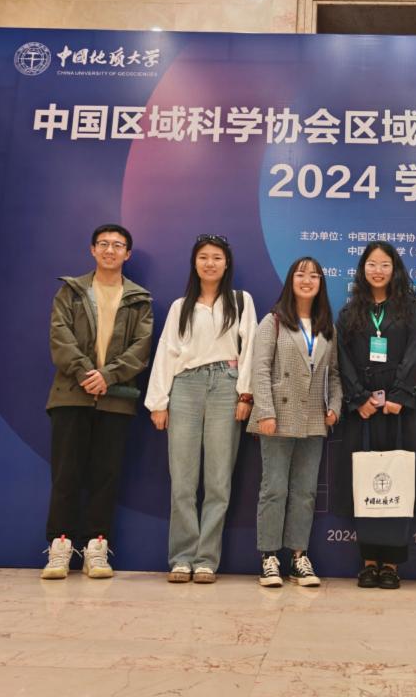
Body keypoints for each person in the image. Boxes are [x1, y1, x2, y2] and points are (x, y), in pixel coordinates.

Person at [42, 224, 154, 580]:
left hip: (115, 401)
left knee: (106, 476)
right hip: (70, 397)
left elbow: (141, 348)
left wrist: (108, 376)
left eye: (117, 245)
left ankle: (96, 548)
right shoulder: (71, 292)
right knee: (66, 475)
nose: (110, 250)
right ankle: (59, 548)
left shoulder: (139, 299)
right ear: (92, 250)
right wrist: (85, 372)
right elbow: (60, 337)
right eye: (103, 244)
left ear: (127, 254)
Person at [146, 234, 257, 584]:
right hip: (186, 386)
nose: (210, 263)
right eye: (204, 257)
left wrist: (246, 395)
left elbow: (251, 349)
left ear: (227, 263)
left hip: (226, 385)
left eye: (217, 257)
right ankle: (182, 557)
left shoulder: (241, 301)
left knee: (218, 480)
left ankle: (207, 559)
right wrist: (158, 402)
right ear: (195, 263)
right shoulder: (181, 306)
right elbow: (166, 352)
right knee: (182, 478)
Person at [333, 240, 416, 590]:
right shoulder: (349, 312)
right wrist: (359, 398)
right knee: (367, 481)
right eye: (372, 264)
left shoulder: (409, 308)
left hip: (400, 408)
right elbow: (341, 358)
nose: (378, 270)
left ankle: (391, 564)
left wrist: (400, 395)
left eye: (385, 264)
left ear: (395, 269)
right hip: (363, 410)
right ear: (362, 269)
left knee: (397, 481)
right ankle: (368, 562)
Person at [247, 257, 342, 587]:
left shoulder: (327, 326)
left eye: (314, 275)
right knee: (274, 489)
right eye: (301, 274)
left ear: (320, 284)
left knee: (305, 492)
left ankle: (299, 556)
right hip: (278, 416)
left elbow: (335, 374)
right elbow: (259, 369)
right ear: (291, 280)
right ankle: (269, 557)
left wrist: (335, 407)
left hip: (314, 418)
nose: (307, 280)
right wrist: (265, 412)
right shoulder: (273, 321)